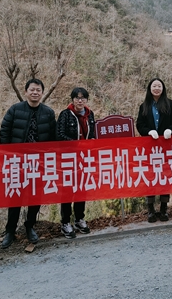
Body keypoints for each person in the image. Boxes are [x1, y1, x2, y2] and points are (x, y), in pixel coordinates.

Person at [0, 79, 56, 248]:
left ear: (42, 93)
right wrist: (9, 154)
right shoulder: (15, 110)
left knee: (35, 196)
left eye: (38, 90)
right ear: (26, 92)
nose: (35, 92)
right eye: (32, 90)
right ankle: (10, 231)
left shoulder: (48, 112)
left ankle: (30, 226)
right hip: (17, 161)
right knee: (15, 196)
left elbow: (53, 137)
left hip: (38, 162)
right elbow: (4, 132)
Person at [136, 77, 172, 222]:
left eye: (159, 86)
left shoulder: (170, 104)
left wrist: (171, 130)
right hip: (150, 148)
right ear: (150, 88)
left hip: (166, 147)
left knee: (165, 176)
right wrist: (148, 132)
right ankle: (150, 210)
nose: (156, 88)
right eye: (154, 86)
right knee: (150, 177)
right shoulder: (144, 106)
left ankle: (163, 208)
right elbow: (140, 124)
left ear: (163, 88)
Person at [56, 87, 95, 238]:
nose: (80, 100)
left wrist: (92, 142)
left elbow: (93, 133)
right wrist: (77, 145)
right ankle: (65, 222)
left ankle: (79, 219)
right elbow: (59, 135)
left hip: (84, 158)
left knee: (81, 189)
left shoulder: (90, 114)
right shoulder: (65, 114)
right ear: (72, 99)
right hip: (68, 158)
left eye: (83, 98)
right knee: (67, 190)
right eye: (77, 98)